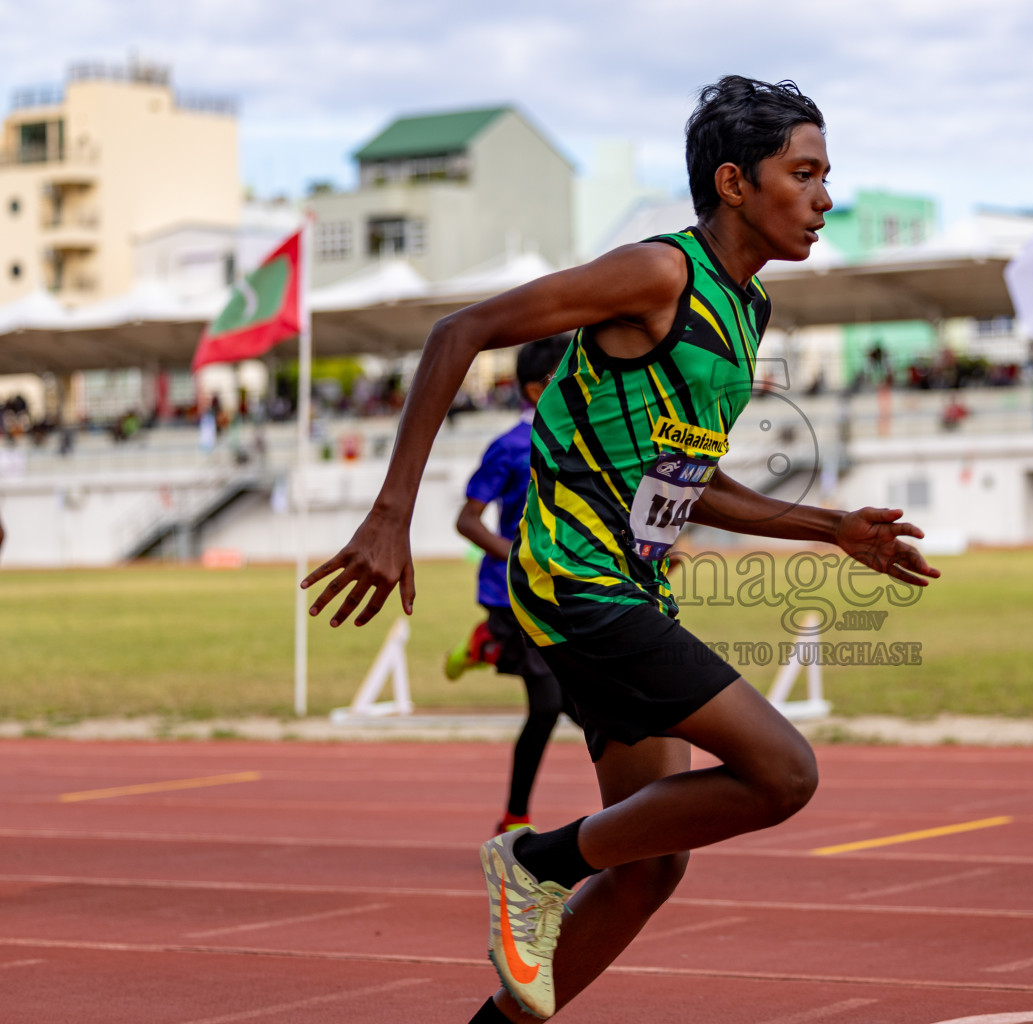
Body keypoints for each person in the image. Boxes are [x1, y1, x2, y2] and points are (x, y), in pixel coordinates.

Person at [301, 75, 939, 1022]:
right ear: (734, 181)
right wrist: (391, 514)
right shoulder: (658, 276)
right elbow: (459, 331)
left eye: (825, 175)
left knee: (650, 867)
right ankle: (537, 860)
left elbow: (686, 485)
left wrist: (831, 530)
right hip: (575, 582)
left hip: (631, 585)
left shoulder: (745, 313)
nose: (823, 197)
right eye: (802, 173)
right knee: (784, 773)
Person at [445, 337, 581, 835]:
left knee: (582, 708)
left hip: (564, 594)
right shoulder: (508, 447)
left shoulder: (583, 440)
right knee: (551, 706)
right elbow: (467, 520)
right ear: (533, 388)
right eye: (566, 374)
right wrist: (519, 557)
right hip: (514, 594)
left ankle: (487, 643)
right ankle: (514, 819)